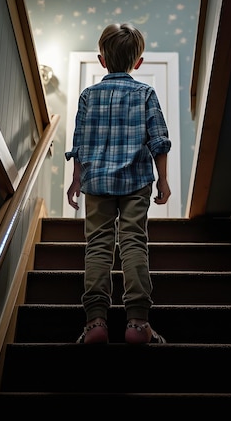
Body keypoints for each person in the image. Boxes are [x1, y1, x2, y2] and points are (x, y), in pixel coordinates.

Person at [65, 23, 171, 344]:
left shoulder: (88, 96)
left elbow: (80, 143)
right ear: (137, 62)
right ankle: (137, 323)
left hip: (96, 183)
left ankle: (95, 322)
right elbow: (159, 140)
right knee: (133, 243)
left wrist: (75, 181)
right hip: (136, 181)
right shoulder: (146, 93)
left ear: (101, 60)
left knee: (98, 245)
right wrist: (163, 180)